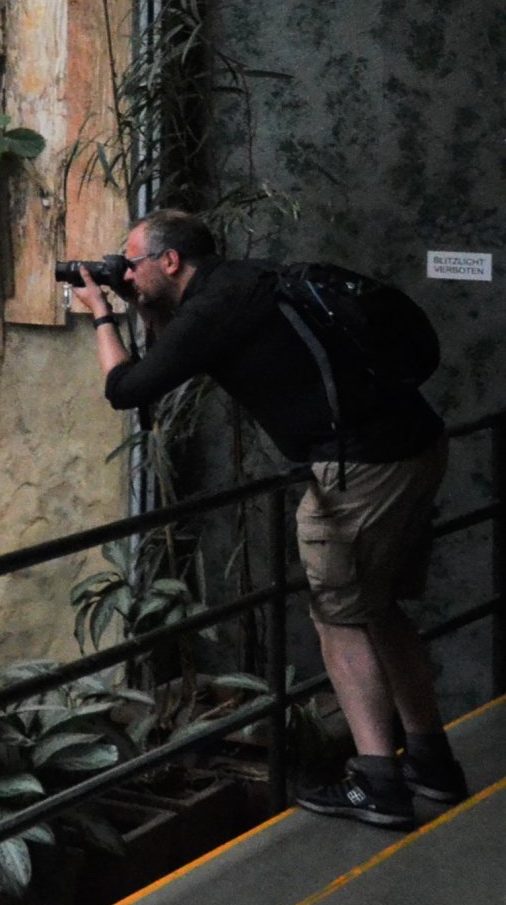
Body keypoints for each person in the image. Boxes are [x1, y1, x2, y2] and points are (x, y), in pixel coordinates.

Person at [72, 208, 460, 830]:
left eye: (133, 262)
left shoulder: (213, 309)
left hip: (358, 469)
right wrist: (142, 306)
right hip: (413, 446)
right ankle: (432, 762)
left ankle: (380, 783)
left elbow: (128, 389)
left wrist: (101, 313)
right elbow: (172, 353)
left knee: (340, 616)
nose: (127, 273)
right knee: (379, 606)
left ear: (170, 260)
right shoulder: (243, 283)